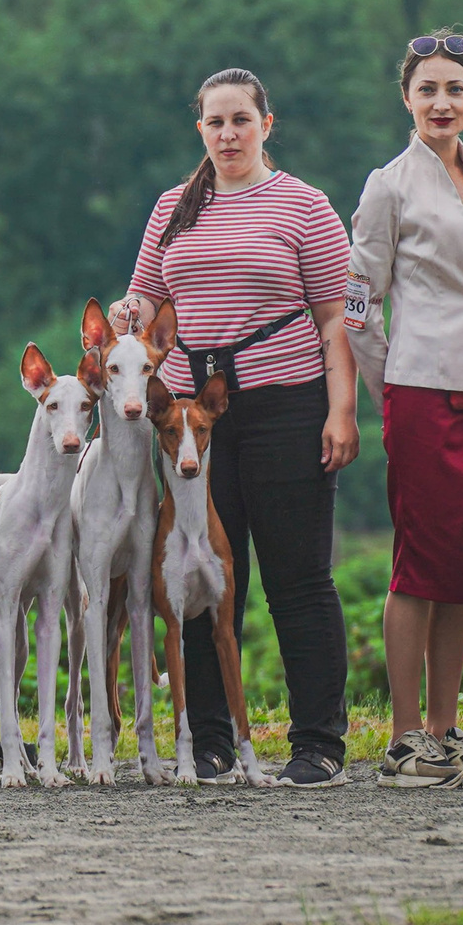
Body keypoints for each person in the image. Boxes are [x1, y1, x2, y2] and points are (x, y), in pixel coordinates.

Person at [113, 69, 360, 788]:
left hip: (286, 402)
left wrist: (343, 409)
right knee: (201, 576)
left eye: (241, 121)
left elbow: (334, 318)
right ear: (200, 130)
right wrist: (125, 317)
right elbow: (146, 295)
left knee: (298, 576)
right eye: (215, 123)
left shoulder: (306, 207)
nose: (228, 135)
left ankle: (318, 740)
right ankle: (211, 738)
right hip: (193, 416)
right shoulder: (172, 208)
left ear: (266, 125)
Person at [345, 31, 463, 788]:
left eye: (454, 89)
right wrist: (389, 379)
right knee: (418, 564)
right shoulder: (389, 184)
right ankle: (405, 735)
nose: (441, 103)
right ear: (406, 100)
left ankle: (447, 730)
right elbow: (355, 303)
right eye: (427, 91)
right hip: (419, 388)